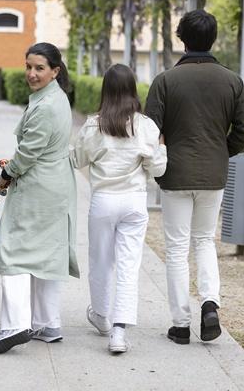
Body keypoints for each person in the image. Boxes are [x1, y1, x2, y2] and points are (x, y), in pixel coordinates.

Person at [145, 9, 244, 345]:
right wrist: (222, 152)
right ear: (213, 39)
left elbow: (149, 131)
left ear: (181, 38)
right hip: (214, 175)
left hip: (175, 174)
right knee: (204, 240)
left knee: (177, 248)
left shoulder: (165, 80)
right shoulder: (232, 80)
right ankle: (210, 303)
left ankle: (180, 324)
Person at [0, 42, 79, 354]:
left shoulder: (46, 105)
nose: (32, 73)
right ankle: (47, 322)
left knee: (14, 251)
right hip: (54, 185)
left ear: (55, 71)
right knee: (46, 253)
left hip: (38, 187)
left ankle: (15, 324)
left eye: (40, 68)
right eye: (28, 66)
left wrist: (5, 176)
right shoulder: (56, 98)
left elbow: (27, 154)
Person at [71, 64, 167, 354]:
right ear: (133, 89)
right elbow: (159, 169)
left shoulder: (94, 125)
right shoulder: (146, 126)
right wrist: (159, 149)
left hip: (103, 200)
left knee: (100, 261)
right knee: (128, 265)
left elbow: (77, 160)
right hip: (135, 201)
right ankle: (119, 332)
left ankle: (101, 316)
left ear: (106, 90)